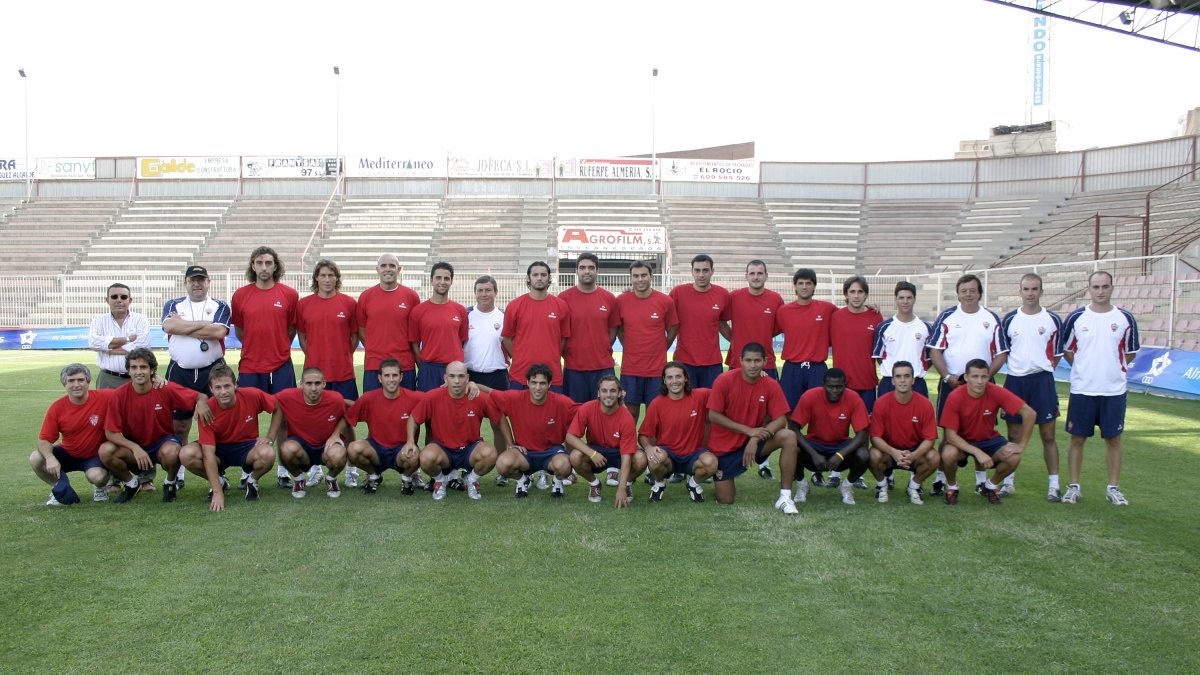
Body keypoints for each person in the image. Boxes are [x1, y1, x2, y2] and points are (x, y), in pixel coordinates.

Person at [1059, 270, 1139, 506]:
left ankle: (1113, 488)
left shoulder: (1125, 318)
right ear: (1089, 289)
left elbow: (1130, 352)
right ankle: (1073, 486)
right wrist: (1085, 368)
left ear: (1112, 288)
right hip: (1083, 389)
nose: (1101, 291)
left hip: (1113, 391)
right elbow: (1067, 351)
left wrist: (1114, 369)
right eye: (1096, 287)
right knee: (1077, 440)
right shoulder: (1076, 318)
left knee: (1113, 440)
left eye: (1105, 286)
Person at [927, 274, 1008, 495]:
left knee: (982, 431)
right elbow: (935, 350)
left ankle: (981, 481)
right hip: (952, 385)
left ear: (980, 292)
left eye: (972, 290)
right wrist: (946, 377)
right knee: (947, 433)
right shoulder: (947, 316)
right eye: (964, 291)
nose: (968, 294)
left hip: (983, 388)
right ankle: (941, 479)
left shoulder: (991, 318)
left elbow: (1001, 353)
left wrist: (982, 377)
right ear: (958, 293)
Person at [707, 343, 801, 514]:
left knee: (788, 436)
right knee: (726, 500)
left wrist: (755, 437)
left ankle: (786, 497)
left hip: (755, 442)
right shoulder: (724, 380)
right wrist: (748, 431)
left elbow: (781, 419)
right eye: (748, 360)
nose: (753, 365)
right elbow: (713, 415)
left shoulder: (770, 384)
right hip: (724, 448)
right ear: (740, 361)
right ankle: (713, 475)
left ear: (765, 361)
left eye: (757, 360)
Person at [101, 348, 203, 504]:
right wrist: (135, 448)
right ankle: (131, 484)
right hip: (134, 448)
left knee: (173, 451)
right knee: (105, 450)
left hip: (162, 443)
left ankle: (170, 483)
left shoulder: (164, 388)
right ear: (128, 370)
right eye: (134, 367)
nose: (138, 372)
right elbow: (110, 432)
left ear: (152, 370)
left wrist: (201, 404)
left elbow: (199, 396)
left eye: (143, 367)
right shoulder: (119, 395)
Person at [161, 265, 229, 489]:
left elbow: (219, 332)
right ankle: (178, 471)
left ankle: (219, 471)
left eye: (201, 279)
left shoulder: (219, 305)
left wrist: (183, 326)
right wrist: (202, 326)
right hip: (180, 370)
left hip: (213, 369)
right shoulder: (173, 304)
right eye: (193, 280)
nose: (197, 283)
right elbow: (169, 325)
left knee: (215, 422)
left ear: (208, 282)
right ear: (186, 283)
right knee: (179, 424)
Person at [297, 259, 361, 488]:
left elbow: (355, 337)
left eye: (331, 275)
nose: (327, 279)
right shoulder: (304, 304)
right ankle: (315, 466)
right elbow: (303, 337)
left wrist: (342, 355)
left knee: (348, 419)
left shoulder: (349, 303)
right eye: (322, 275)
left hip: (343, 372)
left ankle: (352, 467)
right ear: (316, 278)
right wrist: (316, 358)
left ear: (337, 278)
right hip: (314, 375)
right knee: (314, 421)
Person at [999, 273, 1064, 500]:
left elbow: (1056, 355)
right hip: (1015, 382)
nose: (1030, 293)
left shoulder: (1052, 320)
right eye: (1026, 289)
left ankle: (1054, 484)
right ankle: (1008, 482)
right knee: (1013, 434)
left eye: (1034, 289)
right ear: (1020, 291)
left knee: (1048, 435)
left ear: (1041, 291)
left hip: (1042, 381)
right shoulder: (1009, 320)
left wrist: (1041, 368)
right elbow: (1005, 352)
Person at [177, 365, 277, 510]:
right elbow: (208, 454)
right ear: (211, 389)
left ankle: (252, 480)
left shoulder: (252, 395)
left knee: (268, 453)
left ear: (235, 384)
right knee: (186, 454)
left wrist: (270, 437)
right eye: (218, 387)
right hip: (219, 449)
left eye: (227, 386)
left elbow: (277, 407)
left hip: (247, 447)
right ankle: (219, 482)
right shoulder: (207, 410)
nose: (223, 392)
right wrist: (217, 491)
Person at [939, 359, 1036, 505]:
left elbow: (1030, 413)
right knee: (948, 454)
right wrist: (977, 452)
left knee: (1014, 457)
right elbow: (950, 436)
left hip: (989, 440)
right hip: (962, 440)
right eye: (975, 376)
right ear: (966, 377)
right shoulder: (955, 396)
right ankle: (952, 488)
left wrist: (1021, 445)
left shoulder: (995, 391)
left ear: (988, 377)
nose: (980, 381)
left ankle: (990, 486)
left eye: (984, 377)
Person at [775, 268, 839, 487]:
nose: (804, 287)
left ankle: (817, 468)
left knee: (819, 417)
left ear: (814, 286)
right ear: (794, 286)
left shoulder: (827, 308)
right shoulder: (783, 311)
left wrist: (872, 309)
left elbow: (850, 313)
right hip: (792, 368)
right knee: (791, 419)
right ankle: (796, 469)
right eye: (800, 283)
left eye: (808, 283)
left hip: (816, 368)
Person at [725, 259, 785, 480]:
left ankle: (764, 462)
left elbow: (779, 326)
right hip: (737, 364)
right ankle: (730, 454)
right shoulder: (734, 297)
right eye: (752, 273)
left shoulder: (775, 299)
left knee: (768, 415)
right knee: (733, 411)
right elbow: (721, 320)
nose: (756, 276)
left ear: (766, 276)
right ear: (746, 275)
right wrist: (735, 340)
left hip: (766, 364)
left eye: (760, 273)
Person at [413, 361, 499, 501]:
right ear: (445, 378)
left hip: (470, 449)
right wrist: (411, 442)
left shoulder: (477, 396)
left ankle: (471, 480)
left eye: (461, 376)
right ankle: (440, 481)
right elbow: (413, 419)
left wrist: (510, 444)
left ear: (467, 378)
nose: (457, 381)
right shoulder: (433, 396)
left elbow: (499, 419)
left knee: (490, 454)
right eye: (452, 376)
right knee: (426, 457)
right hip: (444, 450)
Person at [490, 364, 579, 498]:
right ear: (527, 383)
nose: (537, 388)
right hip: (524, 453)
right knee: (502, 464)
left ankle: (557, 481)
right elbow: (490, 393)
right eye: (534, 383)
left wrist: (615, 404)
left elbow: (585, 411)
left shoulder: (561, 402)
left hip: (551, 452)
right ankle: (522, 480)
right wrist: (472, 385)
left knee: (565, 466)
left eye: (542, 383)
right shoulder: (515, 397)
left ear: (549, 384)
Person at [32, 364, 116, 505]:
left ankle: (100, 487)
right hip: (68, 453)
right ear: (64, 383)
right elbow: (44, 439)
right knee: (35, 458)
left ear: (88, 381)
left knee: (97, 477)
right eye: (71, 381)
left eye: (80, 380)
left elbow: (131, 391)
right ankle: (60, 489)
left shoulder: (106, 396)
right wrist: (50, 457)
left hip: (94, 456)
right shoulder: (57, 407)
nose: (76, 385)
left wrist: (154, 378)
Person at [789, 368, 871, 506]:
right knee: (792, 449)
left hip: (840, 445)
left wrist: (840, 455)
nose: (835, 390)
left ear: (845, 385)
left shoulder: (853, 398)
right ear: (823, 385)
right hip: (814, 444)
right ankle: (802, 484)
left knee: (864, 454)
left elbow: (862, 434)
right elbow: (793, 428)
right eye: (830, 387)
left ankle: (847, 485)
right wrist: (813, 454)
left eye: (839, 387)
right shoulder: (810, 396)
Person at [638, 362, 718, 503]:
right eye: (669, 377)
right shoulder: (657, 403)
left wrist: (754, 376)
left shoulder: (701, 395)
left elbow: (724, 390)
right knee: (656, 458)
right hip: (669, 456)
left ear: (685, 378)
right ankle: (659, 484)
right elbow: (643, 434)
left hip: (694, 454)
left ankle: (693, 484)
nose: (674, 381)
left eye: (678, 376)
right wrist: (648, 448)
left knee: (711, 463)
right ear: (664, 380)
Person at [345, 359, 426, 495]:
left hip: (402, 451)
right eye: (387, 375)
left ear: (401, 377)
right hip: (376, 450)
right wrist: (335, 435)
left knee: (417, 455)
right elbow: (348, 416)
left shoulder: (415, 398)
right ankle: (373, 475)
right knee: (353, 449)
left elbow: (437, 399)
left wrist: (470, 385)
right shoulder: (369, 398)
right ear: (380, 378)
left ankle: (407, 478)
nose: (391, 379)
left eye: (394, 375)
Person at [268, 367, 351, 499]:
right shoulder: (287, 396)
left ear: (324, 383)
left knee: (340, 454)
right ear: (301, 384)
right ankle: (299, 479)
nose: (313, 388)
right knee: (286, 449)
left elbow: (351, 412)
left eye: (317, 383)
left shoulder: (336, 399)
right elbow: (262, 400)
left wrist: (336, 434)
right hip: (302, 448)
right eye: (309, 383)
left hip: (326, 447)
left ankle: (331, 478)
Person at [566, 375, 647, 507]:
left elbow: (626, 457)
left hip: (619, 451)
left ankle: (627, 484)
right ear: (598, 393)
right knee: (575, 456)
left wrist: (621, 488)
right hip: (596, 450)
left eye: (613, 391)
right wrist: (592, 454)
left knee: (641, 459)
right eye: (604, 391)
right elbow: (570, 436)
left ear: (620, 393)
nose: (608, 395)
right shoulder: (587, 408)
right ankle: (594, 484)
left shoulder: (626, 417)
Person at [614, 260, 678, 423]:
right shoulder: (621, 300)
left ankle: (653, 448)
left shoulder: (665, 301)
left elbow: (672, 330)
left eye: (644, 275)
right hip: (630, 369)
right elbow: (619, 329)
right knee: (630, 414)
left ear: (651, 276)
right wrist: (628, 346)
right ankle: (629, 447)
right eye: (635, 276)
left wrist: (660, 348)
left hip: (656, 370)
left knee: (654, 415)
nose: (640, 279)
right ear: (631, 278)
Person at [867, 361, 939, 505]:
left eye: (907, 376)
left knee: (934, 457)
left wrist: (913, 455)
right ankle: (882, 486)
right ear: (892, 380)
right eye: (898, 376)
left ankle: (914, 487)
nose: (902, 380)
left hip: (914, 452)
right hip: (889, 452)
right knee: (872, 454)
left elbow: (930, 439)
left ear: (913, 380)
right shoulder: (881, 403)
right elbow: (875, 438)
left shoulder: (925, 404)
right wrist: (894, 453)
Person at [231, 246, 299, 393]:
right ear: (253, 266)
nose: (264, 267)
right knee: (247, 413)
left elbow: (291, 330)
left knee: (284, 411)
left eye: (268, 263)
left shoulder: (290, 295)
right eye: (259, 263)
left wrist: (277, 346)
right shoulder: (240, 295)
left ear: (275, 267)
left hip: (281, 364)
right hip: (250, 365)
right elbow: (240, 331)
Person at [465, 274, 510, 477]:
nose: (484, 294)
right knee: (466, 423)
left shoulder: (504, 316)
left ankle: (502, 468)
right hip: (471, 377)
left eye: (488, 290)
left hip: (497, 376)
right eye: (480, 290)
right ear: (475, 293)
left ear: (495, 292)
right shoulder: (466, 315)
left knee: (498, 424)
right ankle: (464, 467)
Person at [502, 260, 570, 392]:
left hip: (552, 375)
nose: (539, 278)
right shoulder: (515, 305)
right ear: (529, 278)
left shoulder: (561, 306)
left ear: (549, 278)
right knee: (520, 413)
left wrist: (552, 355)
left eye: (543, 275)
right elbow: (507, 338)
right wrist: (520, 357)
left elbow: (563, 339)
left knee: (552, 413)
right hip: (521, 374)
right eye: (535, 275)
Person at [559, 252, 618, 403]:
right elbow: (559, 334)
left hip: (603, 367)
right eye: (582, 267)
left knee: (603, 416)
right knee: (574, 416)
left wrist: (599, 348)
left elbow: (612, 332)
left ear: (597, 270)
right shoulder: (564, 298)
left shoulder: (609, 298)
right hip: (574, 369)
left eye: (591, 267)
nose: (587, 271)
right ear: (576, 271)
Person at [357, 253, 421, 392]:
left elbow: (416, 332)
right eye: (383, 265)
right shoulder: (366, 297)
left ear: (399, 269)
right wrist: (376, 348)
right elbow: (361, 330)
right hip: (374, 365)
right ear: (377, 269)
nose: (388, 269)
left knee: (406, 409)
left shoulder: (411, 297)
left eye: (392, 266)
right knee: (374, 410)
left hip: (404, 365)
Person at [669, 254, 731, 389]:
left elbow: (722, 324)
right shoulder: (678, 293)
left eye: (705, 270)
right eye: (697, 270)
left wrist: (739, 343)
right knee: (687, 404)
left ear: (712, 271)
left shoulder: (722, 294)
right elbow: (660, 308)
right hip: (684, 360)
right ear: (691, 272)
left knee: (711, 404)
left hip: (712, 362)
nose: (701, 275)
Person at [409, 261, 469, 393]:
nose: (442, 281)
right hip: (429, 369)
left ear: (451, 281)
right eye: (438, 278)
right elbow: (414, 344)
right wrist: (424, 367)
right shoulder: (418, 311)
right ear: (431, 280)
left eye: (446, 278)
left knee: (453, 411)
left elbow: (462, 340)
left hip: (454, 371)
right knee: (427, 410)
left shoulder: (460, 310)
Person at [831, 275, 884, 413]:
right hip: (841, 384)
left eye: (860, 292)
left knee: (867, 427)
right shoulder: (835, 317)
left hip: (867, 382)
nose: (856, 296)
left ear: (866, 295)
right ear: (846, 294)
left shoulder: (876, 316)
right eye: (852, 292)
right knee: (839, 429)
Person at [872, 281, 932, 399]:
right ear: (895, 299)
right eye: (901, 298)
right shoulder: (884, 327)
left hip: (917, 383)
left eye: (909, 298)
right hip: (889, 383)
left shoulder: (926, 327)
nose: (905, 301)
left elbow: (930, 357)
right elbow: (879, 357)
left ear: (914, 299)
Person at [88, 282, 151, 390]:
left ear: (130, 300)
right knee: (106, 407)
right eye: (114, 296)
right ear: (107, 300)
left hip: (135, 379)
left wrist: (109, 349)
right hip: (107, 379)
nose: (119, 300)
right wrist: (128, 339)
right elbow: (93, 343)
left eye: (123, 297)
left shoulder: (140, 319)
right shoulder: (99, 320)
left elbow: (143, 346)